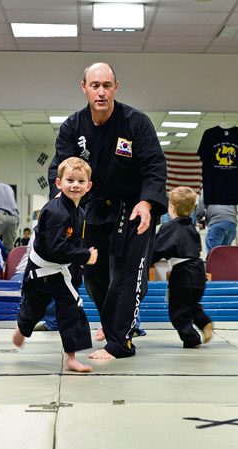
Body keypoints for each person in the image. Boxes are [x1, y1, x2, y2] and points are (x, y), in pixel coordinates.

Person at [48, 62, 167, 360]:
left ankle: (120, 342)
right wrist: (60, 209)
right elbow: (59, 171)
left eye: (107, 85)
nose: (101, 92)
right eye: (95, 85)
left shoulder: (136, 123)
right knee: (94, 274)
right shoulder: (73, 127)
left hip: (134, 209)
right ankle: (112, 324)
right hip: (92, 209)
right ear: (84, 87)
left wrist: (147, 202)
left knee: (128, 274)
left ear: (116, 87)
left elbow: (155, 167)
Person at [12, 157, 97, 372]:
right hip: (41, 270)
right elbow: (55, 248)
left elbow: (74, 242)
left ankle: (71, 357)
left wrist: (79, 265)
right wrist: (84, 256)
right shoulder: (57, 212)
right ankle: (22, 328)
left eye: (80, 181)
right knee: (35, 308)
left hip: (61, 271)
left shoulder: (80, 212)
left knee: (71, 310)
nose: (75, 185)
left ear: (89, 186)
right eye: (70, 180)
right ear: (59, 183)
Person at [151, 186, 212, 348]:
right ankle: (204, 322)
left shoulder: (170, 227)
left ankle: (191, 339)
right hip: (199, 271)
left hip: (182, 272)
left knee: (178, 312)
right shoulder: (191, 228)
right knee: (192, 305)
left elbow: (158, 249)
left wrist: (146, 262)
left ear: (171, 207)